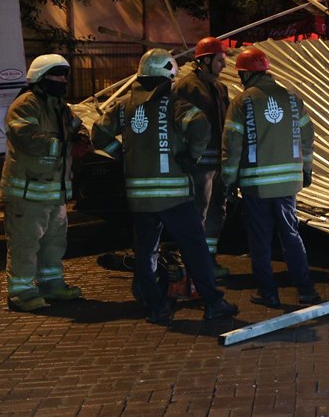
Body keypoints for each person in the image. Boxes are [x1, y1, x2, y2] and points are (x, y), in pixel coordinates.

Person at [91, 48, 238, 324]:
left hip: (139, 197)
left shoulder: (123, 106)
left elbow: (98, 134)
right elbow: (200, 126)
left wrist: (120, 152)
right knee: (194, 248)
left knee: (146, 251)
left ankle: (156, 306)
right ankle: (213, 303)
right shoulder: (172, 103)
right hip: (174, 196)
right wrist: (190, 156)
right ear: (169, 74)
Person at [221, 47, 320, 308]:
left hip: (256, 187)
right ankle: (306, 289)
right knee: (291, 235)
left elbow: (232, 146)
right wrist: (305, 170)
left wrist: (228, 181)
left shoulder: (242, 102)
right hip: (288, 184)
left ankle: (269, 293)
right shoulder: (291, 98)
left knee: (260, 240)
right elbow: (308, 136)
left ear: (245, 75)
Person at [1, 55, 85, 312]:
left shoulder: (60, 106)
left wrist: (81, 136)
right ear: (40, 78)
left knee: (53, 242)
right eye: (57, 75)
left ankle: (52, 285)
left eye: (64, 75)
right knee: (25, 243)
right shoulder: (25, 105)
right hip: (28, 192)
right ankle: (21, 293)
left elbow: (77, 126)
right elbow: (29, 138)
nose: (62, 80)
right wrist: (68, 146)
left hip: (52, 192)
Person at [174, 36, 231, 278]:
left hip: (217, 162)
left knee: (217, 210)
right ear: (205, 60)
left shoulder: (219, 88)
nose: (224, 66)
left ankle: (208, 260)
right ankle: (193, 263)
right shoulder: (185, 87)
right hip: (197, 164)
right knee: (197, 213)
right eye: (219, 60)